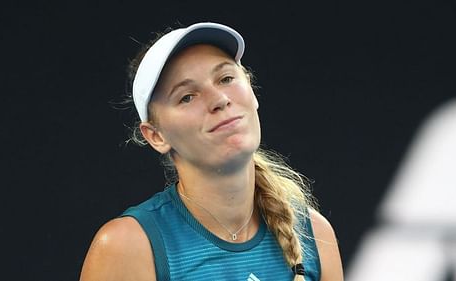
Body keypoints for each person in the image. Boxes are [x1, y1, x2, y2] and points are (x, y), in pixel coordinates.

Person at [80, 22, 343, 281]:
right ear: (156, 136)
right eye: (187, 96)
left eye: (226, 78)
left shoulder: (315, 234)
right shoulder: (128, 246)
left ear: (251, 91)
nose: (219, 99)